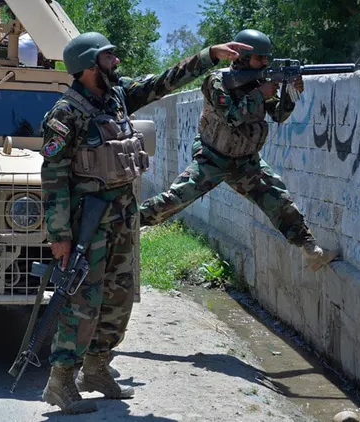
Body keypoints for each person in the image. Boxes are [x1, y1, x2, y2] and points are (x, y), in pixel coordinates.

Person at [38, 31, 251, 413]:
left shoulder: (117, 97)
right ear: (88, 67)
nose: (116, 63)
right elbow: (53, 180)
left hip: (121, 217)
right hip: (88, 224)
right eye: (108, 58)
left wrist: (209, 56)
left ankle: (97, 369)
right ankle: (61, 380)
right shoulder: (65, 114)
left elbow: (163, 81)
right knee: (83, 302)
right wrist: (60, 236)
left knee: (119, 298)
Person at [138, 29, 341, 272]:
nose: (264, 62)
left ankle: (311, 251)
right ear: (242, 58)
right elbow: (232, 117)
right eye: (259, 58)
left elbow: (279, 115)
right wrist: (259, 93)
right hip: (212, 158)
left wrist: (290, 91)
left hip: (246, 162)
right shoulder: (217, 81)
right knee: (176, 198)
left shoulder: (257, 82)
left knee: (280, 201)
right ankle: (128, 222)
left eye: (266, 58)